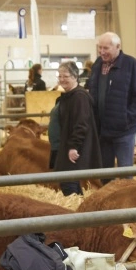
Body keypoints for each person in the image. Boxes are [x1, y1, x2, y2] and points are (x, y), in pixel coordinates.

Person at [87, 32, 136, 174]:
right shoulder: (97, 65)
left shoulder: (131, 64)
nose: (102, 52)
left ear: (118, 47)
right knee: (104, 172)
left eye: (106, 48)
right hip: (102, 130)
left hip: (124, 132)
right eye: (99, 48)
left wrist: (124, 117)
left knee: (125, 171)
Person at [50, 62, 102, 196]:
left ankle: (76, 211)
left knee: (69, 182)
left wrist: (74, 146)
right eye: (59, 76)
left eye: (65, 76)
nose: (62, 79)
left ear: (75, 77)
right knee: (67, 181)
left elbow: (81, 124)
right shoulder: (69, 95)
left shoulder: (79, 97)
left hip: (73, 148)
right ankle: (78, 207)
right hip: (64, 146)